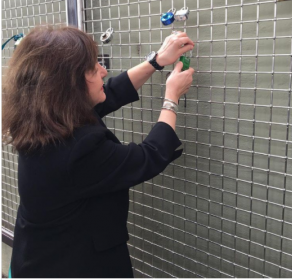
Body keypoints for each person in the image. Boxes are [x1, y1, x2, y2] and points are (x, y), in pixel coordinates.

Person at [2, 25, 194, 278]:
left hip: (36, 252)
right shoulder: (77, 149)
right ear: (68, 85)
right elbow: (149, 156)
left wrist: (157, 61)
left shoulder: (40, 115)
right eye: (93, 68)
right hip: (73, 264)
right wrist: (171, 96)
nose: (104, 70)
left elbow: (110, 92)